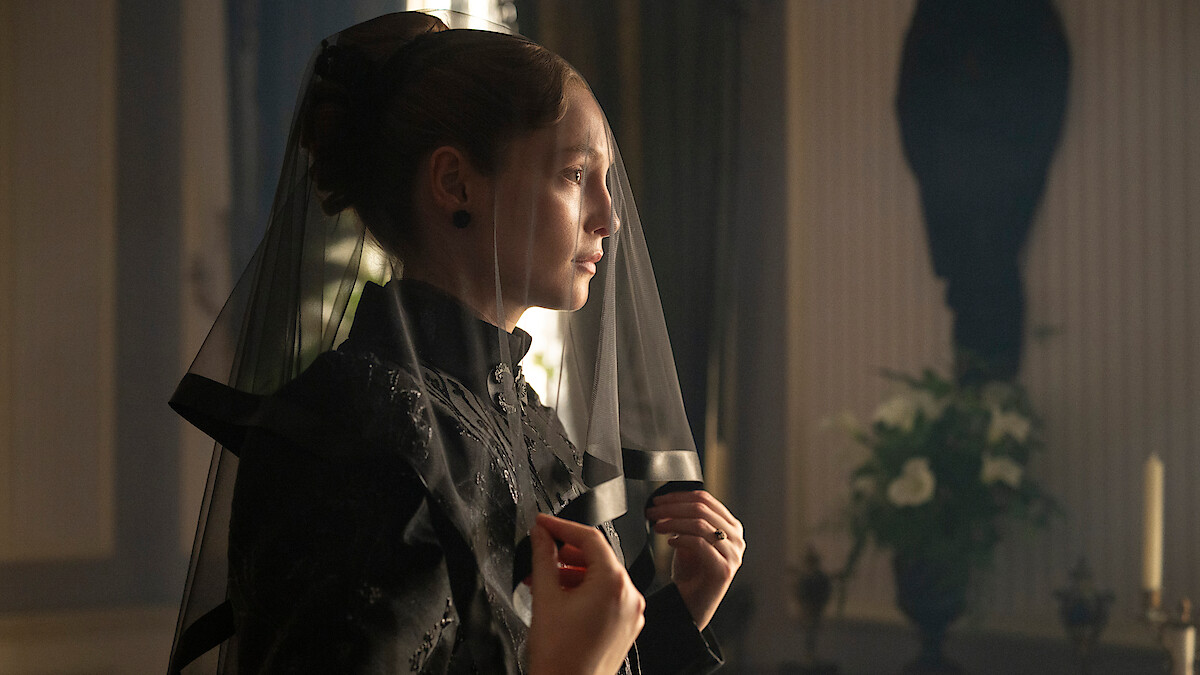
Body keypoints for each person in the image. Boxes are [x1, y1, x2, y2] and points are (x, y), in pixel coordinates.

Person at [167, 11, 744, 675]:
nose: (608, 218)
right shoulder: (356, 431)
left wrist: (684, 608)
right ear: (454, 183)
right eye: (575, 174)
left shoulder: (522, 418)